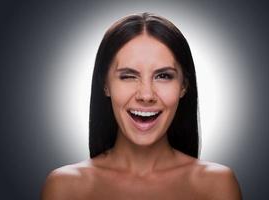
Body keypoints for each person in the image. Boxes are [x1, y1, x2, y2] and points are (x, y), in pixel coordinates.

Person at [41, 12, 242, 199]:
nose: (146, 95)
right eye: (128, 76)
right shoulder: (65, 187)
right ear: (105, 85)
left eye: (163, 76)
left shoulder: (217, 185)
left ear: (183, 86)